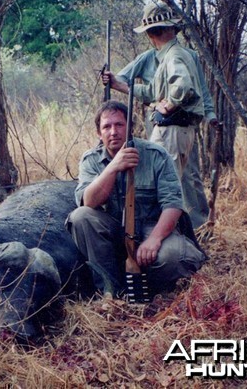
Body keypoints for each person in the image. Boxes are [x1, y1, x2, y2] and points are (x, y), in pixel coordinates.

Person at [65, 101, 206, 296]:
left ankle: (153, 287)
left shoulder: (156, 155)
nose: (113, 132)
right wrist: (113, 166)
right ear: (99, 133)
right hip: (112, 233)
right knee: (80, 216)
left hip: (151, 230)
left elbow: (173, 204)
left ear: (129, 128)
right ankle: (111, 291)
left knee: (174, 257)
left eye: (119, 125)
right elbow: (88, 202)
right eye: (107, 127)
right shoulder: (90, 160)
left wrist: (154, 240)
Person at [103, 2, 219, 228]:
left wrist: (171, 105)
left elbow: (185, 87)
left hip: (173, 127)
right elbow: (147, 91)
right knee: (166, 178)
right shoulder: (156, 56)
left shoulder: (178, 55)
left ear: (152, 33)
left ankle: (176, 231)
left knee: (170, 181)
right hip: (167, 126)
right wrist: (117, 84)